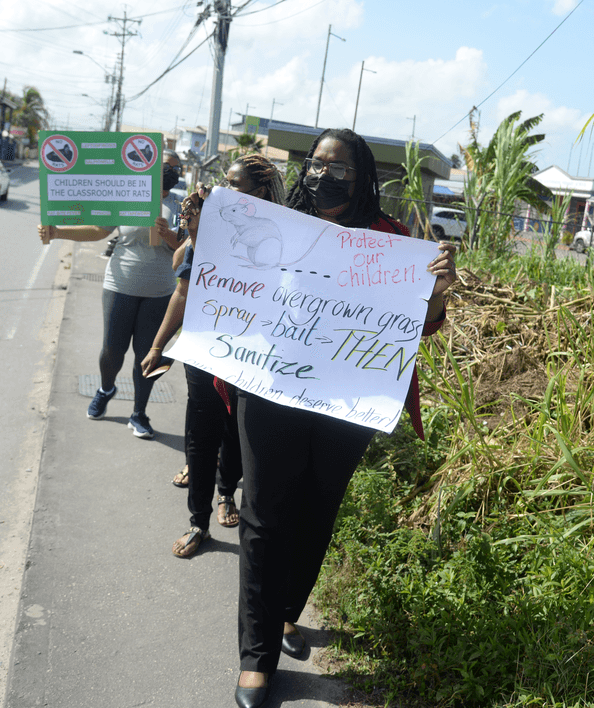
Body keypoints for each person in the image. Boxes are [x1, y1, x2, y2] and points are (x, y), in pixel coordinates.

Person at [231, 129, 457, 708]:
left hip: (345, 403)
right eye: (316, 164)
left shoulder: (392, 240)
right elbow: (232, 286)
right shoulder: (276, 224)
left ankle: (286, 612)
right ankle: (257, 657)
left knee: (317, 509)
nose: (322, 176)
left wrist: (436, 290)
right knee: (263, 516)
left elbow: (420, 326)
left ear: (362, 180)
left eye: (338, 169)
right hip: (270, 387)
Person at [141, 154, 286, 557]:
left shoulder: (283, 234)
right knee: (201, 436)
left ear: (260, 193)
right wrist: (158, 346)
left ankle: (227, 494)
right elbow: (183, 285)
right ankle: (198, 522)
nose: (222, 189)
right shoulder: (211, 225)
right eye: (224, 181)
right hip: (205, 352)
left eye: (234, 185)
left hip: (249, 357)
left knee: (236, 435)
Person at [39, 150, 183, 438]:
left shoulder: (182, 204)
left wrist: (168, 234)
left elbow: (186, 248)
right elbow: (98, 230)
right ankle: (106, 389)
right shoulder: (126, 197)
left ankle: (139, 413)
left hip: (161, 292)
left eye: (176, 167)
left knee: (148, 354)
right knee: (112, 350)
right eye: (166, 166)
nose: (171, 171)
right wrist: (56, 232)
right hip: (120, 285)